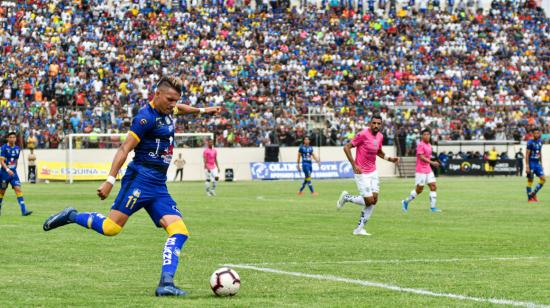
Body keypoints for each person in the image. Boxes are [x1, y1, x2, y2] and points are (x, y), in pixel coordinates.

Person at [42, 76, 221, 296]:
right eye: (170, 99)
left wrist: (203, 111)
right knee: (111, 228)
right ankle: (71, 216)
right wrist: (109, 180)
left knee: (180, 231)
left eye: (176, 100)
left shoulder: (169, 111)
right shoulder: (145, 118)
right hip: (139, 180)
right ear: (157, 94)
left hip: (158, 186)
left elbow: (181, 109)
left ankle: (166, 283)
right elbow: (123, 150)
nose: (173, 104)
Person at [336, 115, 399, 236]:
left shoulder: (380, 136)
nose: (376, 125)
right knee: (368, 200)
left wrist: (390, 159)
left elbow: (379, 152)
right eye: (374, 123)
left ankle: (359, 229)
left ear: (381, 125)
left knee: (374, 201)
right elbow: (346, 147)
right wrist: (354, 165)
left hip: (373, 171)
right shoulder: (363, 134)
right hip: (361, 172)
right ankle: (346, 197)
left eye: (378, 123)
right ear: (370, 124)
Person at [401, 129, 441, 213]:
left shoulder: (429, 145)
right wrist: (432, 162)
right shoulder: (420, 145)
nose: (427, 136)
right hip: (421, 170)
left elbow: (428, 156)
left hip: (428, 169)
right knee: (419, 190)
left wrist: (432, 162)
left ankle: (432, 208)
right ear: (422, 136)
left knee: (433, 186)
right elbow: (421, 157)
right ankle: (405, 201)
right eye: (425, 134)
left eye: (428, 134)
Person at [0, 132, 32, 216]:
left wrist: (14, 170)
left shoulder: (18, 148)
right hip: (4, 174)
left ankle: (24, 210)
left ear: (15, 139)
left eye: (14, 137)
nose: (12, 139)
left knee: (18, 189)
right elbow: (2, 161)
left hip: (13, 174)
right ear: (8, 138)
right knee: (2, 191)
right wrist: (7, 169)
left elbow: (16, 160)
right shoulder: (3, 148)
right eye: (10, 137)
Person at [526, 128, 545, 202]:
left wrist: (541, 164)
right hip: (531, 163)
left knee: (543, 179)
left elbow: (540, 153)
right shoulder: (530, 142)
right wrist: (527, 166)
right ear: (533, 134)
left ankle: (533, 194)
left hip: (537, 163)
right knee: (530, 179)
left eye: (538, 133)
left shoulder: (540, 142)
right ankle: (530, 198)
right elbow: (527, 155)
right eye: (535, 133)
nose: (537, 134)